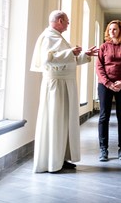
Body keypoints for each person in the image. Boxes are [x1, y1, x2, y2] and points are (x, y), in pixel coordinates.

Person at [31, 10, 97, 173]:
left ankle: (61, 157)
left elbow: (68, 60)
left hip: (65, 83)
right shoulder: (48, 36)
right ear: (59, 20)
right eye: (67, 21)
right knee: (55, 119)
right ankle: (52, 160)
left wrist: (83, 55)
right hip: (56, 85)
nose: (68, 24)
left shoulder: (57, 37)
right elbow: (48, 59)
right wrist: (70, 52)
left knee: (65, 121)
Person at [95, 20, 121, 161]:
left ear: (120, 31)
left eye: (115, 29)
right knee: (104, 116)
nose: (112, 31)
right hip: (105, 85)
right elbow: (99, 67)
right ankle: (103, 149)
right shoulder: (104, 47)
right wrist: (108, 83)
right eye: (110, 29)